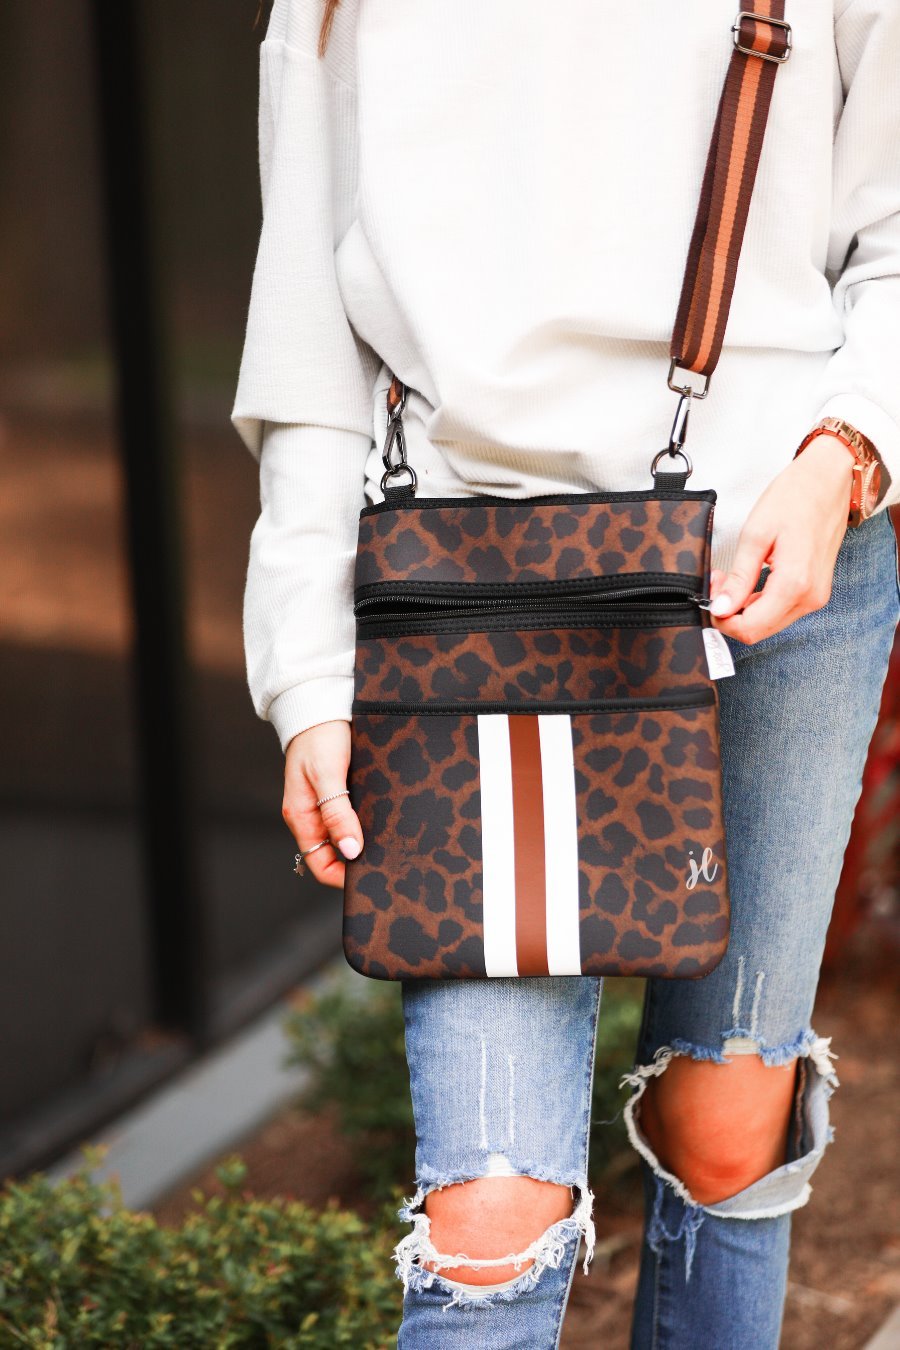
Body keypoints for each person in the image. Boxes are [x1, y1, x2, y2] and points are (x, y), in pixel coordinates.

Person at [232, 1, 900, 1344]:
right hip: (471, 600)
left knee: (729, 1134)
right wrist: (306, 672)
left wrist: (848, 453)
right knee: (492, 1214)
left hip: (778, 561)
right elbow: (309, 351)